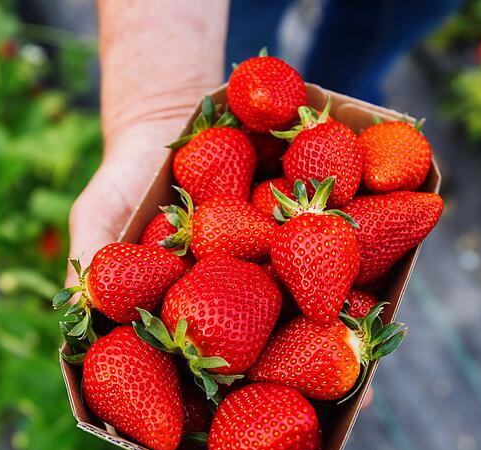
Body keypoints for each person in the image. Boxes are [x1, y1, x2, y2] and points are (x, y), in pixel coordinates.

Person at [67, 0, 460, 410]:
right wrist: (159, 108)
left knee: (383, 27)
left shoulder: (297, 231)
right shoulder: (293, 233)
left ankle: (353, 90)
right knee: (249, 33)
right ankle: (346, 95)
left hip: (299, 207)